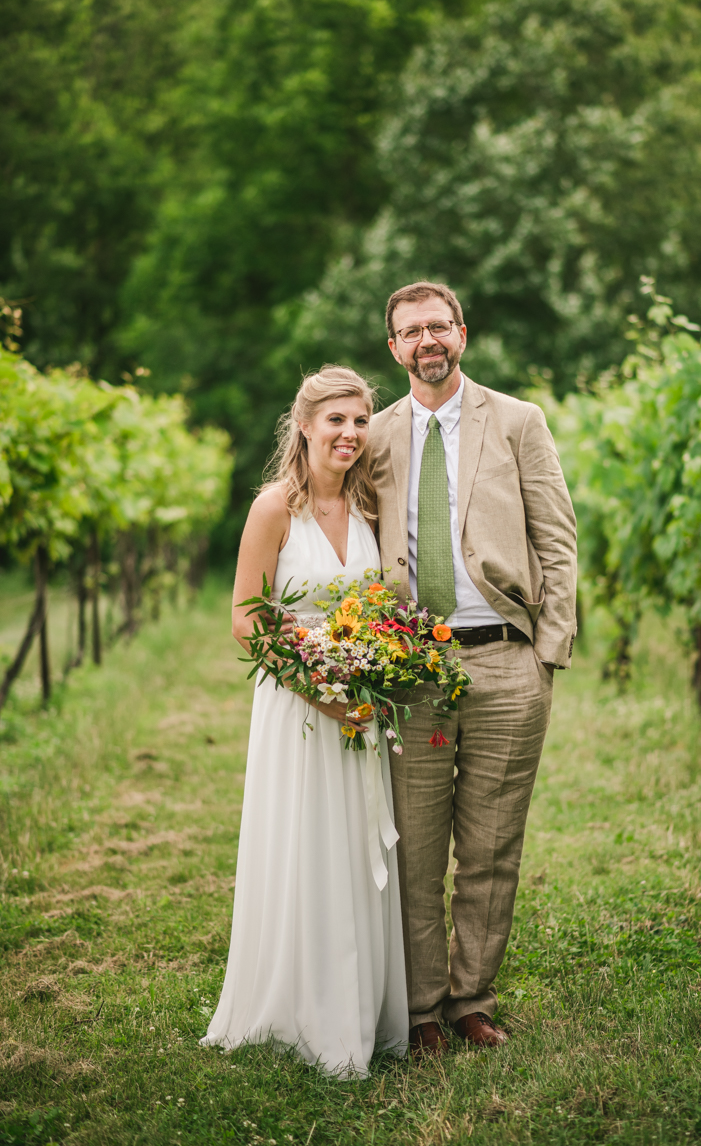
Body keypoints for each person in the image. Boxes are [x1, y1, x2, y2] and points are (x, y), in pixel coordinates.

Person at [367, 281, 578, 1056]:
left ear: (462, 334)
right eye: (411, 330)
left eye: (438, 326)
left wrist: (548, 653)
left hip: (505, 664)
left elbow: (557, 537)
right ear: (393, 347)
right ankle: (421, 1010)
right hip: (411, 669)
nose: (427, 340)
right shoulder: (376, 434)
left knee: (491, 847)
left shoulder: (518, 421)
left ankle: (472, 1001)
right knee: (416, 849)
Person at [202, 366, 407, 1078]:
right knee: (304, 843)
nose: (350, 435)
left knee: (355, 850)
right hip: (298, 707)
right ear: (305, 426)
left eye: (360, 423)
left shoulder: (374, 507)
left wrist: (376, 674)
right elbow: (244, 618)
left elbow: (383, 608)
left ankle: (360, 1006)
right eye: (337, 422)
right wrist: (318, 687)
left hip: (362, 705)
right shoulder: (273, 510)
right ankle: (299, 1008)